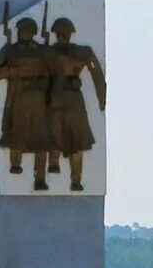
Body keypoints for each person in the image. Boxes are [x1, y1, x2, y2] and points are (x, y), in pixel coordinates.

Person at [0, 17, 57, 190]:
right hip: (17, 99)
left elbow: (54, 74)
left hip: (38, 101)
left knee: (41, 140)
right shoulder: (10, 50)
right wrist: (13, 71)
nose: (23, 33)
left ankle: (40, 178)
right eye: (21, 30)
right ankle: (15, 165)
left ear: (32, 32)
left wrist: (43, 83)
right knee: (16, 135)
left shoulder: (41, 51)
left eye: (27, 30)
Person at [43, 17, 106, 192]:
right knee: (61, 136)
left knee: (74, 140)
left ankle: (71, 176)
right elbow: (97, 76)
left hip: (62, 96)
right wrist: (101, 98)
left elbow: (97, 75)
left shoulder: (52, 53)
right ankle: (59, 167)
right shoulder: (81, 52)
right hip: (66, 97)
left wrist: (102, 99)